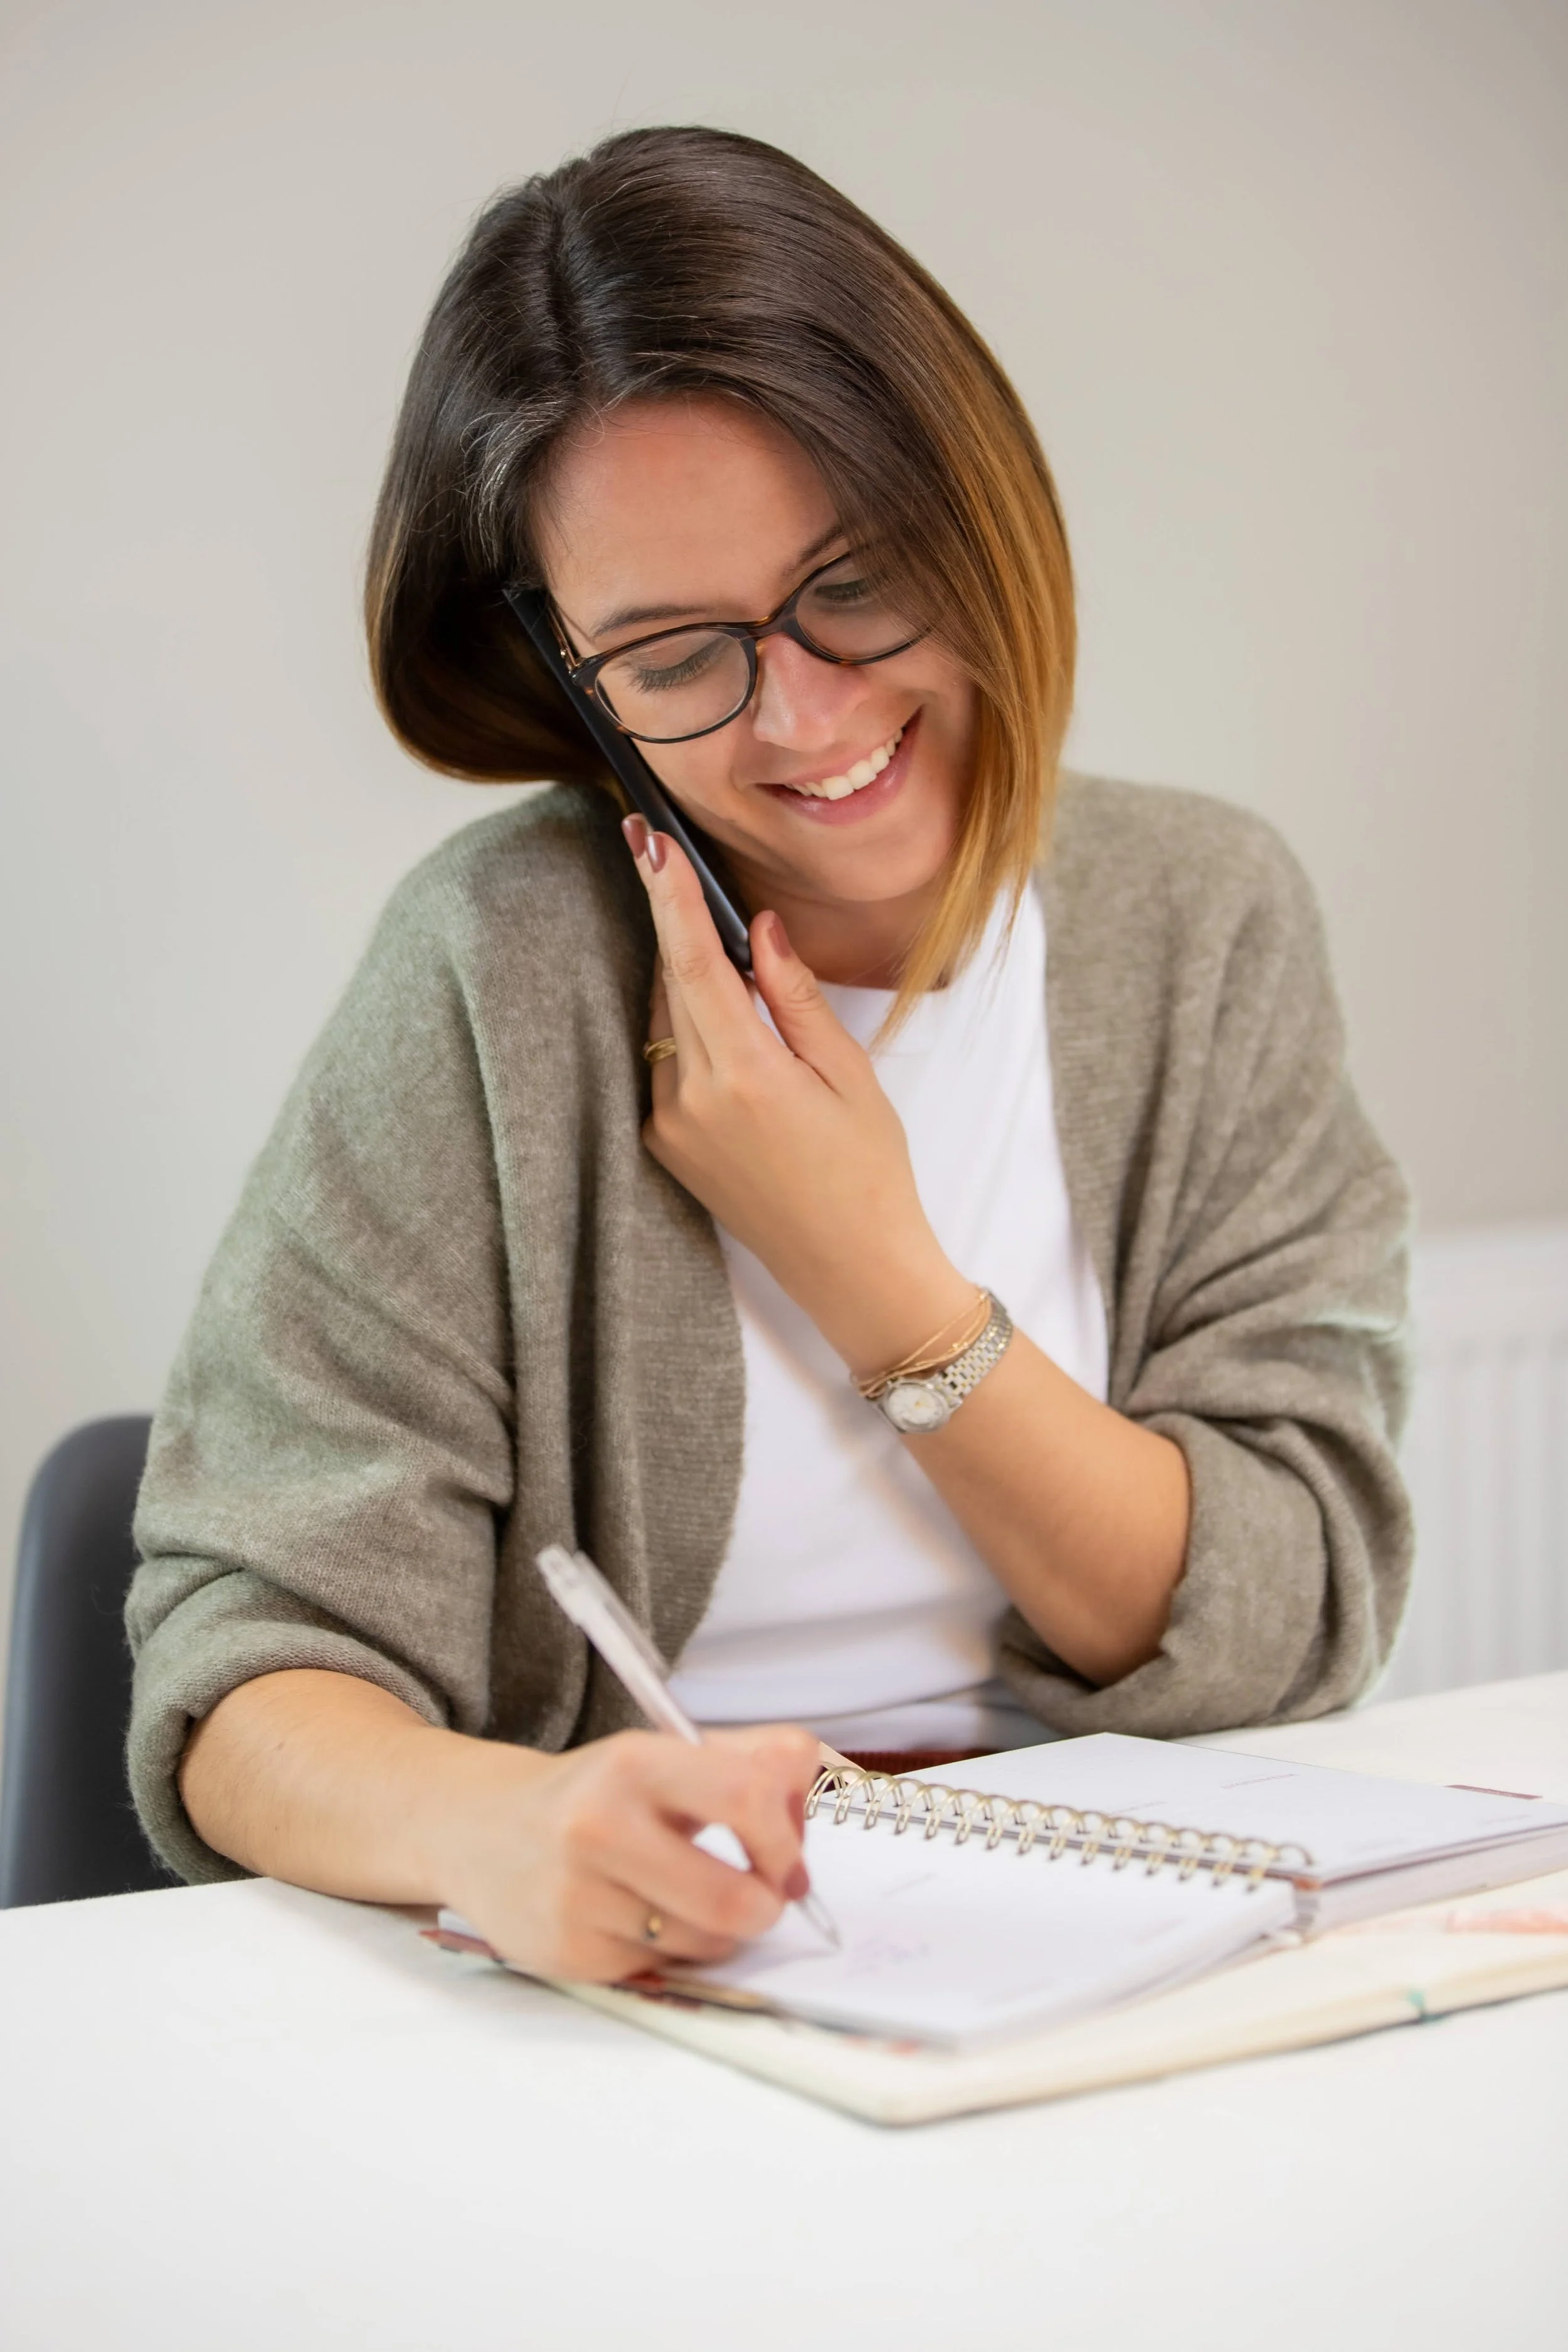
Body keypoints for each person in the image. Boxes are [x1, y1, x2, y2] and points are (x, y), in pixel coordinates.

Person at [127, 126, 1412, 1986]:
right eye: (671, 660)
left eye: (855, 583)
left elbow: (1286, 1613)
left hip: (1135, 1927)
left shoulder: (1201, 917)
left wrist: (872, 1276)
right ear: (572, 681)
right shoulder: (499, 967)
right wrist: (496, 1821)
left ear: (973, 511)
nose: (804, 722)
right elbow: (242, 1669)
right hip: (670, 1970)